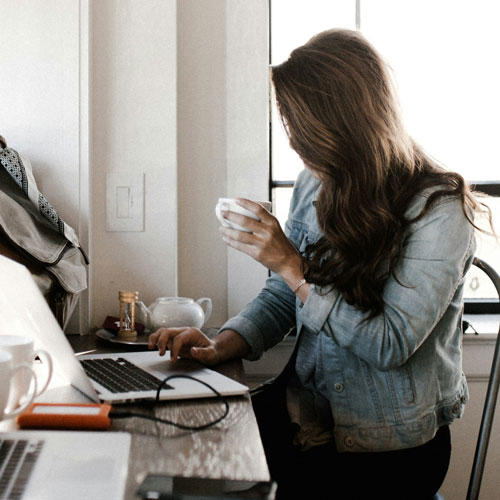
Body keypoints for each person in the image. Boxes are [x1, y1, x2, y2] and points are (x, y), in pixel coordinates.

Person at [149, 29, 492, 499]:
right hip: (306, 414)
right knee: (177, 446)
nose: (295, 146)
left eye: (301, 131)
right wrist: (222, 343)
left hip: (387, 451)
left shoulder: (440, 212)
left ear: (346, 123)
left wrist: (292, 266)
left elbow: (388, 344)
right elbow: (282, 293)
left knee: (217, 477)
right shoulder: (317, 184)